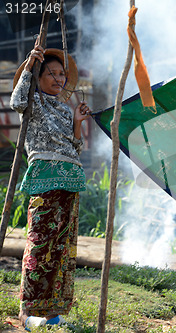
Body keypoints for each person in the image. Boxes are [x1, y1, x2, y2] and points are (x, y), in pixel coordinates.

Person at [10, 42, 91, 330]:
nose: (58, 79)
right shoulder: (32, 100)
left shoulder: (65, 110)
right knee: (39, 243)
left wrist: (78, 122)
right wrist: (30, 65)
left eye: (61, 75)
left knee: (60, 248)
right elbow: (16, 102)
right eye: (51, 74)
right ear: (38, 77)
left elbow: (74, 149)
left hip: (70, 181)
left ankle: (50, 310)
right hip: (44, 178)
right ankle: (26, 313)